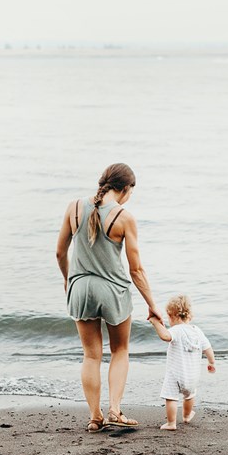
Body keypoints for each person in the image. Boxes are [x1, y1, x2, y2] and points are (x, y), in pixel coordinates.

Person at [56, 163, 164, 432]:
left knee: (91, 356)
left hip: (81, 287)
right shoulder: (124, 217)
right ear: (124, 189)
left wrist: (69, 281)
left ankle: (95, 417)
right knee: (120, 350)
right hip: (113, 290)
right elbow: (136, 269)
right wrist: (153, 305)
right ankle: (115, 409)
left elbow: (60, 253)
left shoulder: (74, 207)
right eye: (130, 192)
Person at [148, 294, 216, 431]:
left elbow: (165, 336)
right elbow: (207, 348)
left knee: (171, 398)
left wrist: (155, 322)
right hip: (192, 375)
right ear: (189, 315)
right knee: (189, 395)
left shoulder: (176, 330)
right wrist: (211, 362)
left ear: (172, 315)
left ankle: (171, 423)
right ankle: (186, 415)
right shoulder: (197, 331)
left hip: (176, 374)